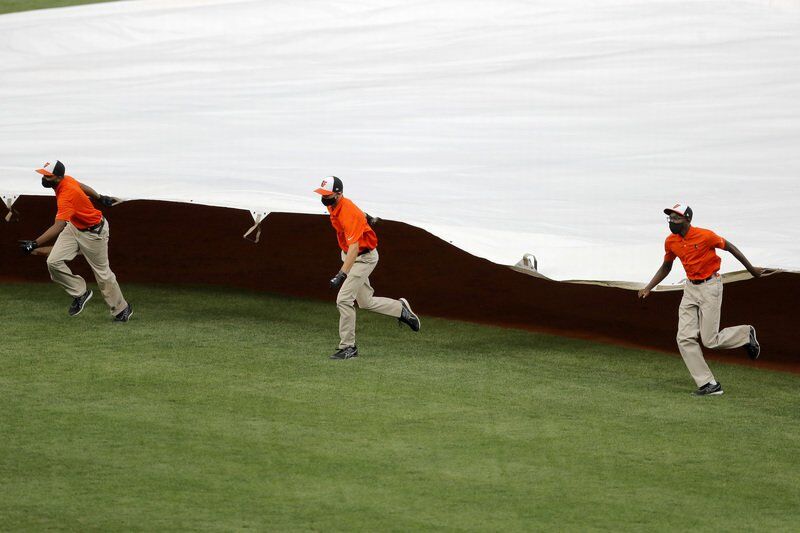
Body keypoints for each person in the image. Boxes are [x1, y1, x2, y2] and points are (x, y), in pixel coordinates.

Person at [638, 204, 765, 396]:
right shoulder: (671, 241)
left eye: (676, 218)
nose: (671, 221)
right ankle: (708, 384)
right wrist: (649, 287)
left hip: (710, 286)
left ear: (687, 220)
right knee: (683, 338)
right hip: (690, 288)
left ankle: (745, 334)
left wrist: (752, 270)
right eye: (670, 218)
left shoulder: (706, 236)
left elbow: (732, 248)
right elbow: (666, 266)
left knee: (710, 340)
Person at [314, 176, 419, 359]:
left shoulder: (347, 212)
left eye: (328, 195)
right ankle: (400, 309)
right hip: (350, 255)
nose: (324, 198)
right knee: (365, 302)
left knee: (344, 300)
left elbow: (354, 247)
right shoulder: (335, 205)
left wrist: (341, 274)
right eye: (323, 194)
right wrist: (367, 218)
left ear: (339, 194)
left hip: (363, 259)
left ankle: (348, 347)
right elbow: (355, 211)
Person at [19, 160, 133, 322]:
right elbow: (82, 185)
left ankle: (122, 309)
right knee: (53, 262)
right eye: (43, 175)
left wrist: (34, 243)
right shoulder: (66, 180)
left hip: (95, 233)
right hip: (75, 227)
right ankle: (80, 293)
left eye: (47, 176)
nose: (44, 179)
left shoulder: (66, 194)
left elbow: (58, 226)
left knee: (103, 274)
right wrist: (100, 198)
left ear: (58, 177)